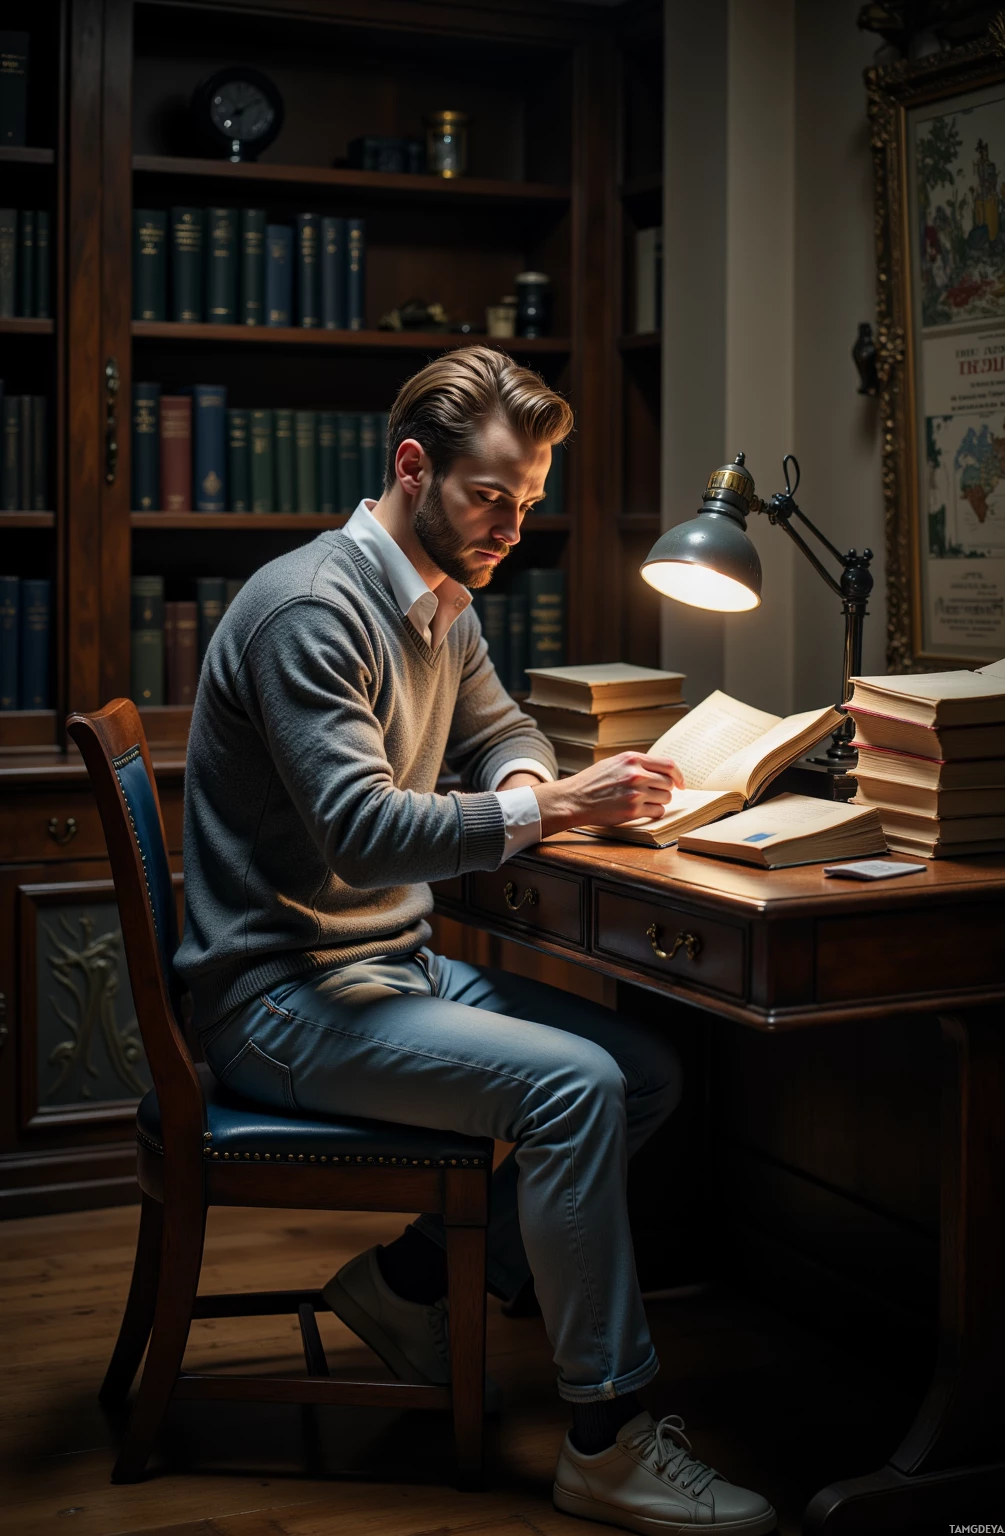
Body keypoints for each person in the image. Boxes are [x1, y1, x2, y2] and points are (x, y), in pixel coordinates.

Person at [176, 346, 776, 1535]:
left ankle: (407, 1289)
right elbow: (357, 833)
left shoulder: (436, 597)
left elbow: (503, 730)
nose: (511, 526)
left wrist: (530, 779)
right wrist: (552, 806)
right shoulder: (314, 606)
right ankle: (604, 1441)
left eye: (530, 500)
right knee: (578, 1089)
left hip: (381, 965)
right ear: (413, 468)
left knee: (648, 1074)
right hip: (279, 995)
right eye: (490, 496)